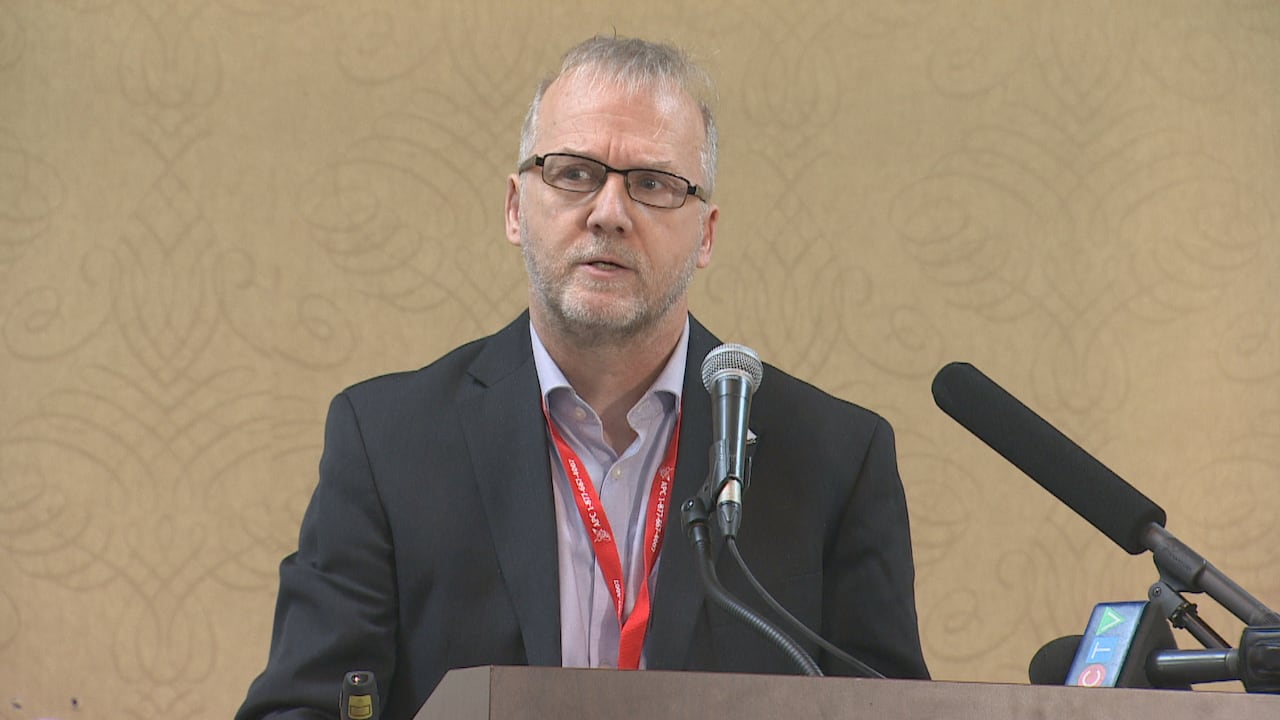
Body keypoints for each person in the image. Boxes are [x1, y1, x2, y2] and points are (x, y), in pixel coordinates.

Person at [237, 35, 929, 720]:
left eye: (654, 185)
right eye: (573, 173)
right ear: (515, 209)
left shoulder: (834, 458)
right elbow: (301, 707)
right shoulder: (389, 443)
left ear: (707, 235)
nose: (608, 212)